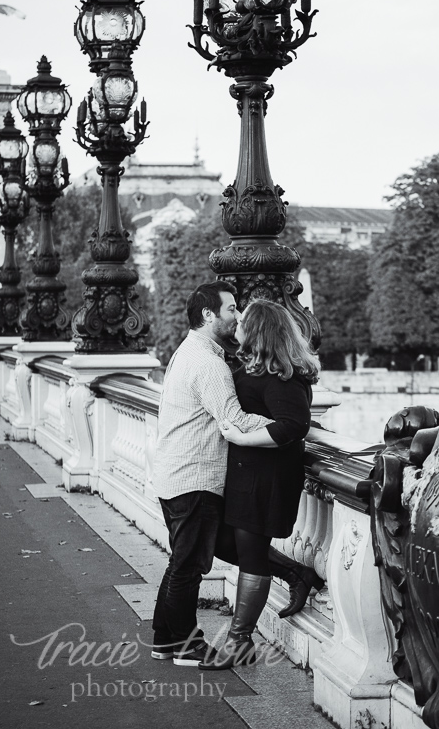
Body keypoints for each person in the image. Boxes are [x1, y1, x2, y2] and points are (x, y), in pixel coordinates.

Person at [150, 281, 273, 666]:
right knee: (189, 567)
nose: (238, 316)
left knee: (180, 561)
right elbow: (233, 419)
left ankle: (165, 638)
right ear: (208, 314)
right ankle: (187, 644)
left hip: (175, 473)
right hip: (196, 477)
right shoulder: (208, 363)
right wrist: (287, 426)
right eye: (231, 309)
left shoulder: (187, 352)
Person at [200, 298, 324, 670]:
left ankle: (239, 641)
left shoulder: (281, 377)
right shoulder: (256, 369)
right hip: (246, 475)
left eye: (243, 319)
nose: (236, 321)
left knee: (250, 554)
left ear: (257, 330)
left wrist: (242, 439)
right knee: (223, 542)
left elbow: (294, 426)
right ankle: (295, 573)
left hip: (266, 479)